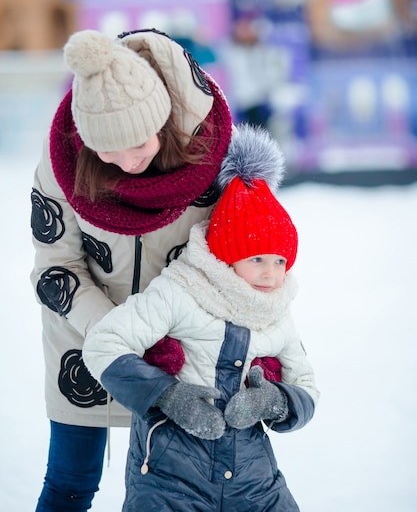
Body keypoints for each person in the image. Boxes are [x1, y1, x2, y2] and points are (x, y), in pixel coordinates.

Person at [30, 27, 234, 511]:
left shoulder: (210, 150)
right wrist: (118, 337)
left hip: (181, 345)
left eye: (137, 143)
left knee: (177, 493)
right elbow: (54, 266)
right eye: (107, 150)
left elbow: (235, 260)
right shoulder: (61, 154)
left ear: (163, 122)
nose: (125, 162)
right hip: (86, 340)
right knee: (70, 480)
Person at [83, 124, 319, 512]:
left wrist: (275, 402)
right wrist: (167, 396)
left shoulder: (275, 310)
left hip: (253, 481)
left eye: (280, 261)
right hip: (168, 479)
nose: (270, 274)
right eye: (256, 258)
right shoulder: (181, 292)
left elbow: (307, 384)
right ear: (227, 254)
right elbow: (104, 344)